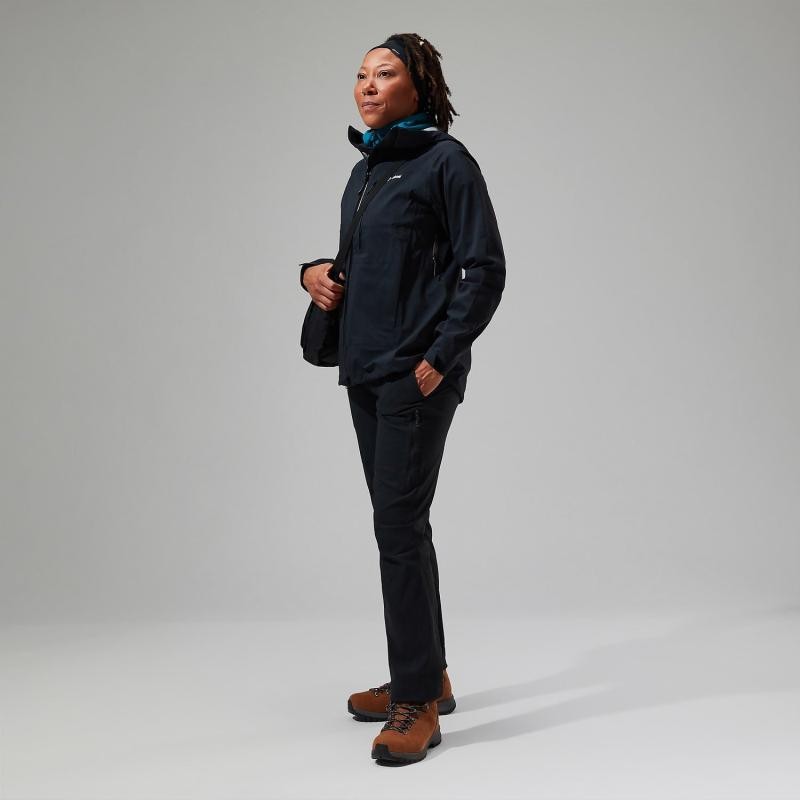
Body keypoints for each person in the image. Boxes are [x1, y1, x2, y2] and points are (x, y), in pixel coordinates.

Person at [299, 33, 506, 764]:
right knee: (402, 528)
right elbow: (361, 261)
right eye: (360, 74)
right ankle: (429, 674)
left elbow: (485, 269)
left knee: (396, 527)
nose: (367, 85)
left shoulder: (447, 162)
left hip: (413, 377)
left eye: (384, 73)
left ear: (419, 86)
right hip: (365, 371)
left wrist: (437, 360)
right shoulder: (366, 170)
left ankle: (416, 702)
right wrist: (312, 272)